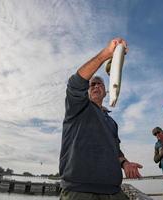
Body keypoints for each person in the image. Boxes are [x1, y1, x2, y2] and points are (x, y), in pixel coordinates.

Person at [59, 38, 142, 200]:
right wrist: (105, 54)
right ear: (88, 91)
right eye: (92, 84)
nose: (96, 86)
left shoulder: (112, 122)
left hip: (113, 191)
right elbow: (75, 83)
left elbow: (116, 151)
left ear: (106, 91)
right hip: (79, 190)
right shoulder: (78, 108)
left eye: (100, 85)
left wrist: (125, 163)